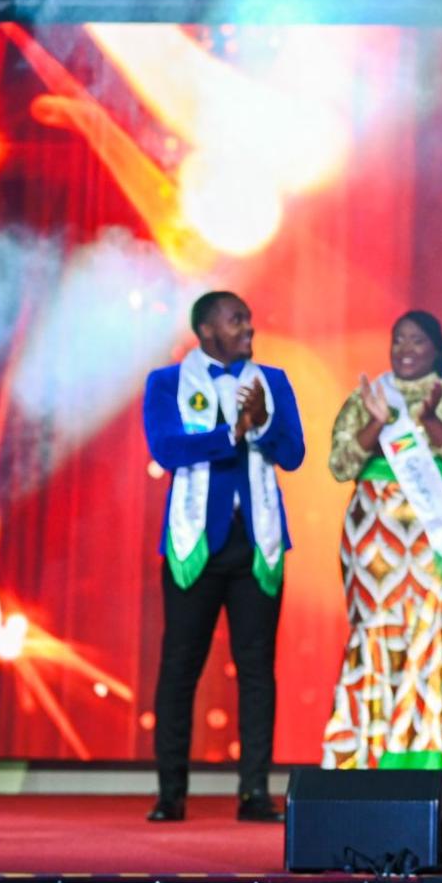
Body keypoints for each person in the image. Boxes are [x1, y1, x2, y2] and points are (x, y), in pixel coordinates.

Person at [320, 310, 442, 825]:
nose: (405, 348)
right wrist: (377, 421)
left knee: (441, 642)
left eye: (417, 340)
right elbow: (340, 464)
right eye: (398, 339)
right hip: (373, 541)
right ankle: (366, 775)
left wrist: (429, 420)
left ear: (438, 348)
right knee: (378, 640)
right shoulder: (368, 397)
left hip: (441, 538)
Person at [140, 291, 304, 823]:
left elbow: (294, 454)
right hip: (194, 544)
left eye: (249, 319)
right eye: (237, 320)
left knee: (257, 670)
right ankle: (170, 793)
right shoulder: (167, 383)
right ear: (207, 330)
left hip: (257, 543)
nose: (248, 328)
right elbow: (167, 449)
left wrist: (263, 424)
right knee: (180, 667)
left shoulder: (272, 382)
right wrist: (232, 434)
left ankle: (255, 792)